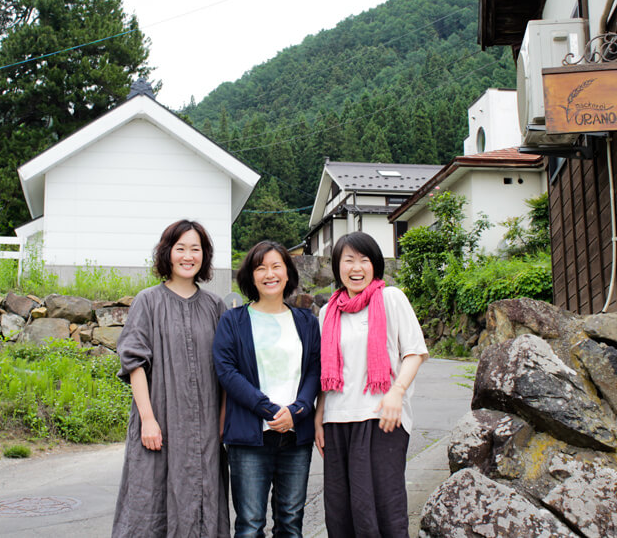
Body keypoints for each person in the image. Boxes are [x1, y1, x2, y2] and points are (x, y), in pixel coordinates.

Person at [112, 219, 229, 537]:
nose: (188, 256)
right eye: (181, 248)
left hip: (205, 428)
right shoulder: (147, 301)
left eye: (196, 249)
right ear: (167, 253)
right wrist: (148, 420)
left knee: (203, 499)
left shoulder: (215, 306)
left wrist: (221, 422)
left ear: (204, 256)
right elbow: (134, 364)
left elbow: (226, 370)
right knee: (151, 501)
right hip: (160, 421)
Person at [314, 231, 428, 537]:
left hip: (382, 417)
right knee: (341, 513)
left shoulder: (390, 299)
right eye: (348, 260)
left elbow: (414, 352)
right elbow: (327, 372)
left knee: (382, 508)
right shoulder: (327, 312)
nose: (356, 267)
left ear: (374, 264)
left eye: (364, 260)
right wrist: (319, 417)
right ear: (337, 266)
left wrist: (397, 392)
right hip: (337, 420)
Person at [213, 241, 321, 537]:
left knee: (290, 523)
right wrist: (269, 409)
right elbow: (227, 371)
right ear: (251, 275)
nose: (269, 274)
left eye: (276, 266)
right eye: (261, 268)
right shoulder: (233, 321)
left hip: (296, 437)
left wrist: (298, 410)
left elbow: (314, 369)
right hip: (250, 437)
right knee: (249, 525)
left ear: (288, 274)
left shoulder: (306, 321)